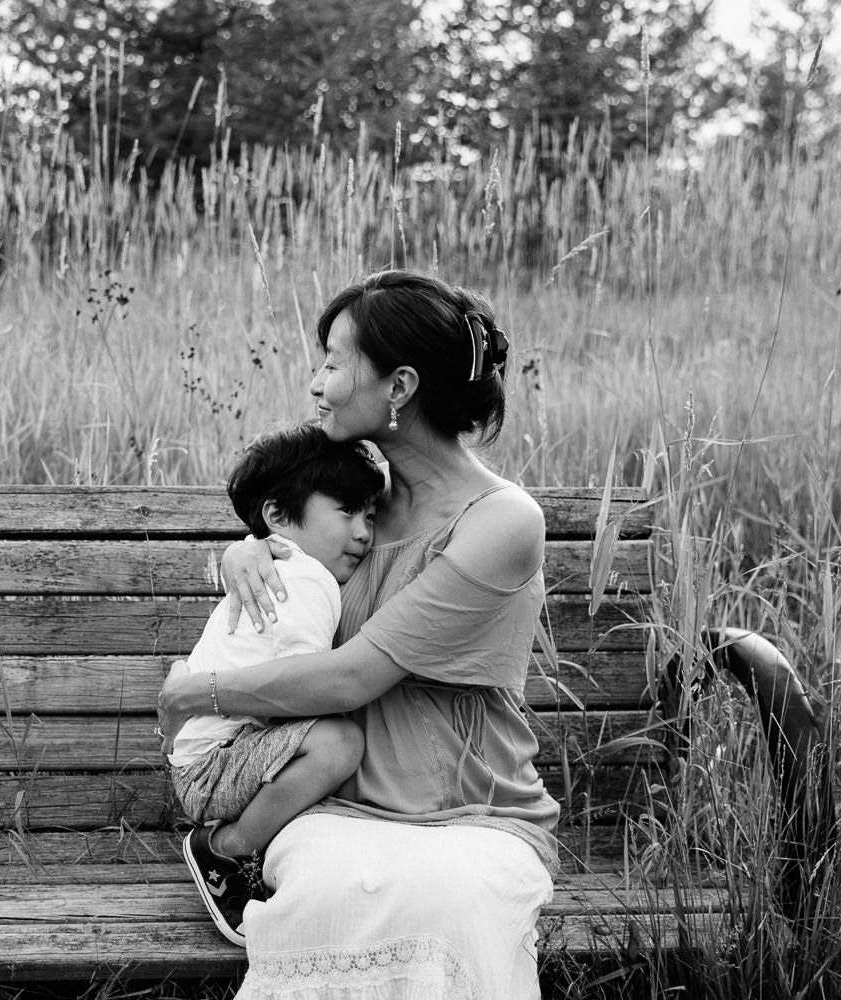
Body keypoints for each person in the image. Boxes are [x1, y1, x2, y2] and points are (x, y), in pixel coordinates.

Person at [158, 268, 560, 1000]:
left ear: (399, 386)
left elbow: (353, 678)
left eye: (334, 362)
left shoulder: (501, 522)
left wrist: (200, 690)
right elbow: (281, 538)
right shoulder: (354, 511)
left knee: (449, 903)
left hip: (471, 810)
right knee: (331, 892)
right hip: (335, 800)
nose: (316, 383)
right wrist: (247, 547)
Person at [168, 422, 381, 946]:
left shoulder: (288, 570)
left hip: (211, 755)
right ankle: (228, 848)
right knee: (338, 743)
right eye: (347, 511)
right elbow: (302, 687)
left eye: (370, 515)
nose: (363, 532)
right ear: (279, 517)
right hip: (214, 764)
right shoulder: (306, 581)